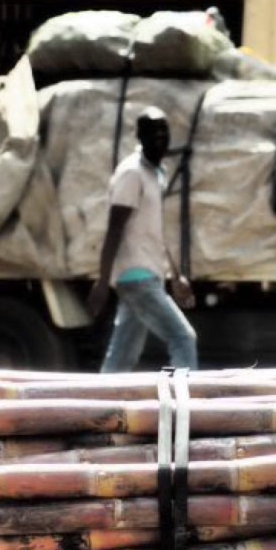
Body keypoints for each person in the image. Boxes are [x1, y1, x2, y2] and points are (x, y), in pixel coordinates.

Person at [88, 108, 198, 372]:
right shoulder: (131, 174)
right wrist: (102, 282)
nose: (160, 136)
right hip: (137, 276)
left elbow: (155, 231)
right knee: (183, 338)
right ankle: (187, 406)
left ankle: (99, 407)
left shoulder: (155, 174)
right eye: (153, 131)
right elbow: (114, 229)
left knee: (122, 356)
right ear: (139, 135)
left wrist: (174, 275)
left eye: (164, 130)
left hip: (147, 274)